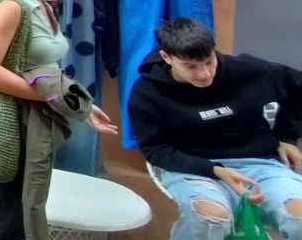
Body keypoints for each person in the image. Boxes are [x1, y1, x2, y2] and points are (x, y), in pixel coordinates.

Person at [0, 0, 117, 239]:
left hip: (34, 123)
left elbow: (47, 72)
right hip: (13, 126)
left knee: (20, 214)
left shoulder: (42, 6)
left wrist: (80, 105)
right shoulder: (11, 7)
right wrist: (47, 98)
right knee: (5, 219)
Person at [129, 18, 302, 239]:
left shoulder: (248, 71)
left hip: (259, 162)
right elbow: (156, 150)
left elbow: (298, 87)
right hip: (191, 167)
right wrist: (216, 171)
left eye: (209, 62)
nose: (204, 74)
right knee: (210, 219)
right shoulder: (147, 92)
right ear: (166, 57)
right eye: (190, 66)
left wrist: (287, 136)